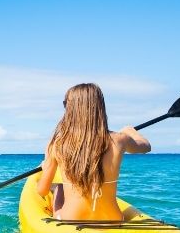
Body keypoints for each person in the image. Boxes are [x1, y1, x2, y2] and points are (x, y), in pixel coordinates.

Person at [36, 83, 151, 221]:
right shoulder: (120, 139)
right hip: (113, 220)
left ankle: (59, 191)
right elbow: (146, 147)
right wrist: (131, 132)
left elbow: (42, 190)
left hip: (70, 220)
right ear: (99, 107)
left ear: (70, 108)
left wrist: (45, 167)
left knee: (59, 189)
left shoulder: (57, 143)